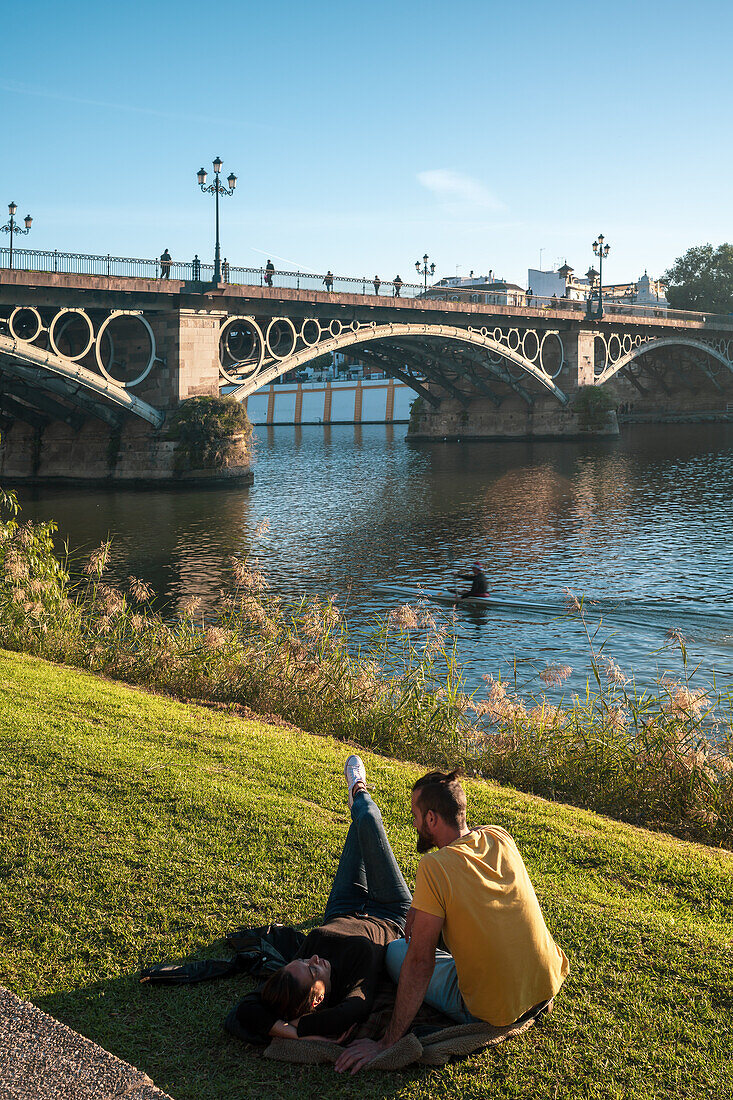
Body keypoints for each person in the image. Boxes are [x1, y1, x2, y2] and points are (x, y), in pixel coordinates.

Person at [336, 770, 569, 1074]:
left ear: (432, 819)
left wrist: (386, 1042)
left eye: (416, 815)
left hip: (492, 1012)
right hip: (546, 985)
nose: (416, 823)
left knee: (396, 952)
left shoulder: (435, 867)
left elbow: (420, 964)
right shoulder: (499, 836)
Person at [233, 755, 412, 1043]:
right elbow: (352, 1011)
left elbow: (245, 1011)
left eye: (304, 960)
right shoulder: (352, 989)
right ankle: (359, 788)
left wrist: (289, 1030)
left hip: (343, 906)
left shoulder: (292, 978)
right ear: (317, 1001)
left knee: (361, 825)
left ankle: (358, 800)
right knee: (366, 820)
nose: (313, 957)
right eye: (313, 969)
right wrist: (305, 1032)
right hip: (391, 912)